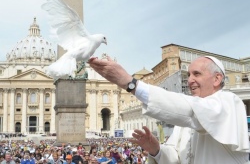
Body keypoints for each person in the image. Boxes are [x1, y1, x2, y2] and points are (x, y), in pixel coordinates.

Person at [89, 56, 250, 164]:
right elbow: (175, 158)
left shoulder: (230, 102)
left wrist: (131, 84)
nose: (190, 80)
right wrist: (156, 149)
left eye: (197, 74)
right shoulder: (187, 119)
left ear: (217, 78)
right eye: (188, 75)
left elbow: (192, 110)